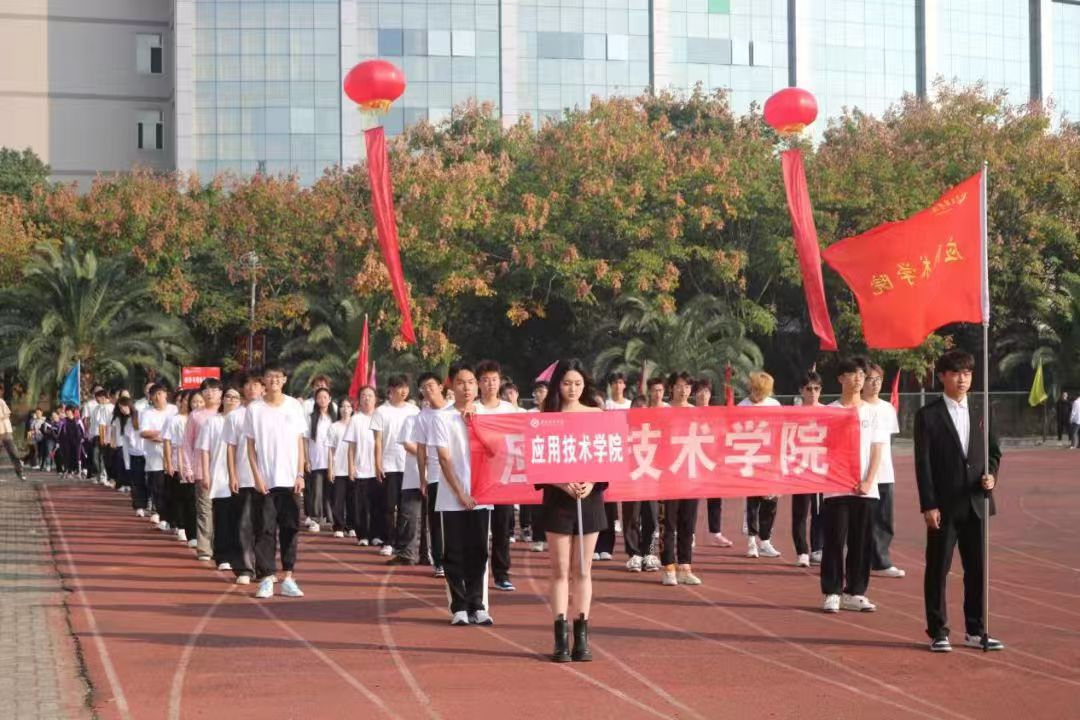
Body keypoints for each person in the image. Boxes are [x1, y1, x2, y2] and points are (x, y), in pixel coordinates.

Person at [914, 349, 1004, 652]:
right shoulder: (928, 416)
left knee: (977, 570)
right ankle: (938, 630)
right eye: (955, 373)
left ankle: (976, 630)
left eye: (967, 373)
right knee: (938, 569)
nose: (962, 379)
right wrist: (928, 504)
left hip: (977, 502)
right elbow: (923, 465)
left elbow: (994, 452)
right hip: (943, 506)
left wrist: (991, 475)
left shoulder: (982, 410)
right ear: (942, 376)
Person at [541, 359, 606, 662]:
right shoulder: (547, 419)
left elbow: (607, 459)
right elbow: (538, 465)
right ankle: (560, 639)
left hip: (589, 500)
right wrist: (561, 483)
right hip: (558, 500)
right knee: (560, 571)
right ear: (558, 385)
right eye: (567, 383)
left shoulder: (596, 416)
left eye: (578, 383)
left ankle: (582, 638)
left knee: (583, 569)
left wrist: (591, 482)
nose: (572, 389)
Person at [431, 364, 494, 626]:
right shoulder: (441, 418)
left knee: (479, 552)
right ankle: (458, 606)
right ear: (451, 386)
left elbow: (495, 450)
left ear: (476, 386)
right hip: (452, 497)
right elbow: (444, 459)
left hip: (481, 495)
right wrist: (460, 493)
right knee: (454, 552)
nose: (466, 387)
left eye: (470, 382)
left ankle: (477, 604)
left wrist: (475, 424)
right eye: (460, 382)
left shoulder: (485, 416)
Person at [821, 357, 885, 614]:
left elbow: (877, 449)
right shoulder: (829, 411)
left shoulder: (873, 412)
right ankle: (833, 591)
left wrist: (868, 480)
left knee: (861, 541)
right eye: (853, 373)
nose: (859, 378)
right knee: (834, 540)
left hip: (866, 488)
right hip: (836, 486)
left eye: (862, 374)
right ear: (841, 378)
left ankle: (855, 592)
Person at [245, 363, 308, 599]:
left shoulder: (294, 406)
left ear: (284, 380)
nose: (274, 380)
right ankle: (267, 578)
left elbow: (300, 442)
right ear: (263, 380)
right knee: (264, 530)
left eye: (278, 377)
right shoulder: (254, 409)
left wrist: (300, 474)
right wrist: (257, 476)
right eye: (270, 376)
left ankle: (289, 577)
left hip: (290, 480)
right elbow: (250, 446)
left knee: (290, 529)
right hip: (265, 481)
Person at [474, 360, 518, 592]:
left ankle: (501, 574)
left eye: (494, 379)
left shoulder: (509, 410)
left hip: (503, 477)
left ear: (500, 381)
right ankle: (477, 573)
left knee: (502, 528)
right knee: (478, 528)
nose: (490, 384)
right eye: (485, 380)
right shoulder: (472, 409)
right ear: (478, 383)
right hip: (478, 478)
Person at [658, 371, 702, 586]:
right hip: (668, 476)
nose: (683, 390)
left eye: (687, 387)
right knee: (668, 523)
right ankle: (668, 566)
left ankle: (685, 566)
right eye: (679, 386)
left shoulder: (696, 412)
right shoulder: (663, 411)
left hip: (690, 475)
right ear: (671, 388)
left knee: (688, 523)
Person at [863, 362, 904, 579]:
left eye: (878, 379)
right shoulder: (857, 407)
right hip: (862, 473)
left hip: (885, 472)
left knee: (884, 519)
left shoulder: (887, 408)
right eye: (870, 379)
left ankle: (881, 561)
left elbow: (887, 440)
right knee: (862, 520)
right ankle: (859, 560)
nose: (875, 384)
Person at [371, 375, 420, 557]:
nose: (404, 391)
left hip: (410, 465)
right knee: (389, 507)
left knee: (406, 509)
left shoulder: (414, 410)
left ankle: (401, 543)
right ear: (390, 390)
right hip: (390, 465)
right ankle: (388, 541)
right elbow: (377, 441)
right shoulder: (381, 411)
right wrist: (378, 464)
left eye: (406, 387)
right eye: (400, 387)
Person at [225, 373, 265, 584]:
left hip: (268, 479)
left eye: (256, 384)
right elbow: (231, 448)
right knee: (243, 523)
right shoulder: (234, 416)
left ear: (263, 388)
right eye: (247, 385)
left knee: (265, 525)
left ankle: (264, 567)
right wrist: (232, 474)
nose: (251, 388)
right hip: (244, 476)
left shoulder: (269, 413)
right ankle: (244, 568)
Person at [740, 372, 783, 559]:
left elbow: (780, 432)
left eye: (763, 392)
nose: (758, 395)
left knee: (770, 502)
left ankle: (765, 540)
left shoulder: (774, 405)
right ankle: (751, 541)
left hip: (770, 460)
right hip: (750, 458)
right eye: (756, 390)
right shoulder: (743, 406)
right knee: (753, 502)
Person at [623, 377, 664, 573]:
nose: (640, 413)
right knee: (631, 517)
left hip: (650, 480)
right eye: (636, 410)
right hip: (631, 481)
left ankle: (649, 553)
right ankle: (634, 554)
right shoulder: (624, 430)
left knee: (651, 517)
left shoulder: (655, 429)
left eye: (643, 410)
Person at [199, 387, 242, 571]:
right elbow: (204, 450)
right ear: (222, 400)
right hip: (219, 476)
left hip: (241, 476)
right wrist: (206, 474)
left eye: (235, 397)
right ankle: (223, 555)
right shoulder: (212, 421)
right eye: (228, 396)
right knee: (222, 517)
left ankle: (238, 555)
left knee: (239, 518)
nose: (231, 400)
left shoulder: (243, 421)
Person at [415, 373, 450, 577]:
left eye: (431, 386)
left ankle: (456, 558)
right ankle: (439, 562)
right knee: (436, 520)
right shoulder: (423, 416)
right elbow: (421, 449)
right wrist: (423, 477)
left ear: (440, 386)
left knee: (455, 519)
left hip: (456, 473)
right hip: (436, 474)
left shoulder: (454, 410)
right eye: (423, 388)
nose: (428, 390)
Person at [185, 379, 223, 562]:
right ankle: (205, 548)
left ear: (221, 392)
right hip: (202, 468)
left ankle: (221, 545)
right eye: (206, 390)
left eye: (214, 390)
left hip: (224, 469)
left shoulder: (227, 414)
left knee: (222, 509)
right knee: (205, 509)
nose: (210, 393)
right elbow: (187, 443)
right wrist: (188, 467)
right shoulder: (195, 416)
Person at [791, 371, 825, 567]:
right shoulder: (794, 413)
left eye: (816, 389)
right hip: (800, 469)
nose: (813, 392)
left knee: (820, 511)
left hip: (820, 468)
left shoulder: (829, 412)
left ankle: (817, 548)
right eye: (809, 389)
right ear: (801, 391)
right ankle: (802, 551)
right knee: (800, 512)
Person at [695, 379, 733, 548]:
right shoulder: (688, 413)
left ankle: (716, 533)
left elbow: (723, 435)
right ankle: (690, 533)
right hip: (694, 461)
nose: (703, 395)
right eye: (700, 391)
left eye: (707, 392)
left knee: (715, 499)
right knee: (691, 501)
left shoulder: (716, 414)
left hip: (712, 462)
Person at [165, 391, 201, 547]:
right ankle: (187, 530)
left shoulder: (207, 419)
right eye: (193, 401)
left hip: (203, 465)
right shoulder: (177, 420)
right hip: (185, 464)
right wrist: (174, 464)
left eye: (200, 401)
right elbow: (174, 444)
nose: (197, 405)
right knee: (187, 499)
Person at [139, 384, 175, 531]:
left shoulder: (174, 410)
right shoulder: (147, 413)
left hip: (173, 456)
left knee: (172, 489)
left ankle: (174, 520)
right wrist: (162, 434)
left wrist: (163, 436)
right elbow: (143, 432)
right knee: (158, 488)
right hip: (154, 456)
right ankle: (163, 517)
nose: (158, 397)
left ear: (166, 394)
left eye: (161, 393)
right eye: (155, 395)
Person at [346, 386, 378, 546]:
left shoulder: (380, 417)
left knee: (377, 504)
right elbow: (351, 446)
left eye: (370, 395)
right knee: (361, 505)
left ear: (376, 399)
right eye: (364, 396)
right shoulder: (355, 419)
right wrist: (351, 466)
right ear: (359, 400)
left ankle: (377, 534)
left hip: (378, 468)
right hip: (361, 468)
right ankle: (363, 535)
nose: (367, 398)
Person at [303, 388, 334, 532]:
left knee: (331, 491)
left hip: (332, 461)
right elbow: (305, 440)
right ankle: (315, 519)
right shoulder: (311, 418)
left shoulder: (334, 418)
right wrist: (306, 460)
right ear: (316, 400)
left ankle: (330, 519)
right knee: (317, 491)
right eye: (319, 397)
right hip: (316, 459)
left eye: (325, 397)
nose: (322, 400)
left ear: (330, 399)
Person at [326, 397, 356, 539]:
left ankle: (351, 526)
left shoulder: (356, 425)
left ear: (352, 409)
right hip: (339, 468)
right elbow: (330, 449)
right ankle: (338, 526)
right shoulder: (334, 427)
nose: (345, 409)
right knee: (338, 499)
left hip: (354, 469)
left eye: (348, 406)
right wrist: (330, 468)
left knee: (353, 500)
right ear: (339, 409)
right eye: (343, 406)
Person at [0, 384, 27, 481]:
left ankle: (20, 472)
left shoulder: (1, 402)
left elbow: (7, 414)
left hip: (5, 432)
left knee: (13, 453)